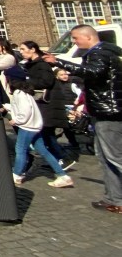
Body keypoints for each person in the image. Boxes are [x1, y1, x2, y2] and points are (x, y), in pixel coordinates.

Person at [44, 24, 122, 213]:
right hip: (100, 111)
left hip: (108, 112)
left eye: (75, 38)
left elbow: (93, 72)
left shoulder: (100, 53)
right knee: (104, 158)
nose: (74, 42)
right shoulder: (100, 53)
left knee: (115, 157)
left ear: (88, 37)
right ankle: (115, 199)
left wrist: (59, 62)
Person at [4, 80, 74, 188]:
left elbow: (25, 111)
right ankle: (63, 176)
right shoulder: (26, 93)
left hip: (28, 127)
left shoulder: (18, 93)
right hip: (35, 126)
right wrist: (8, 107)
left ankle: (17, 174)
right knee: (43, 151)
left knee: (20, 150)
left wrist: (16, 120)